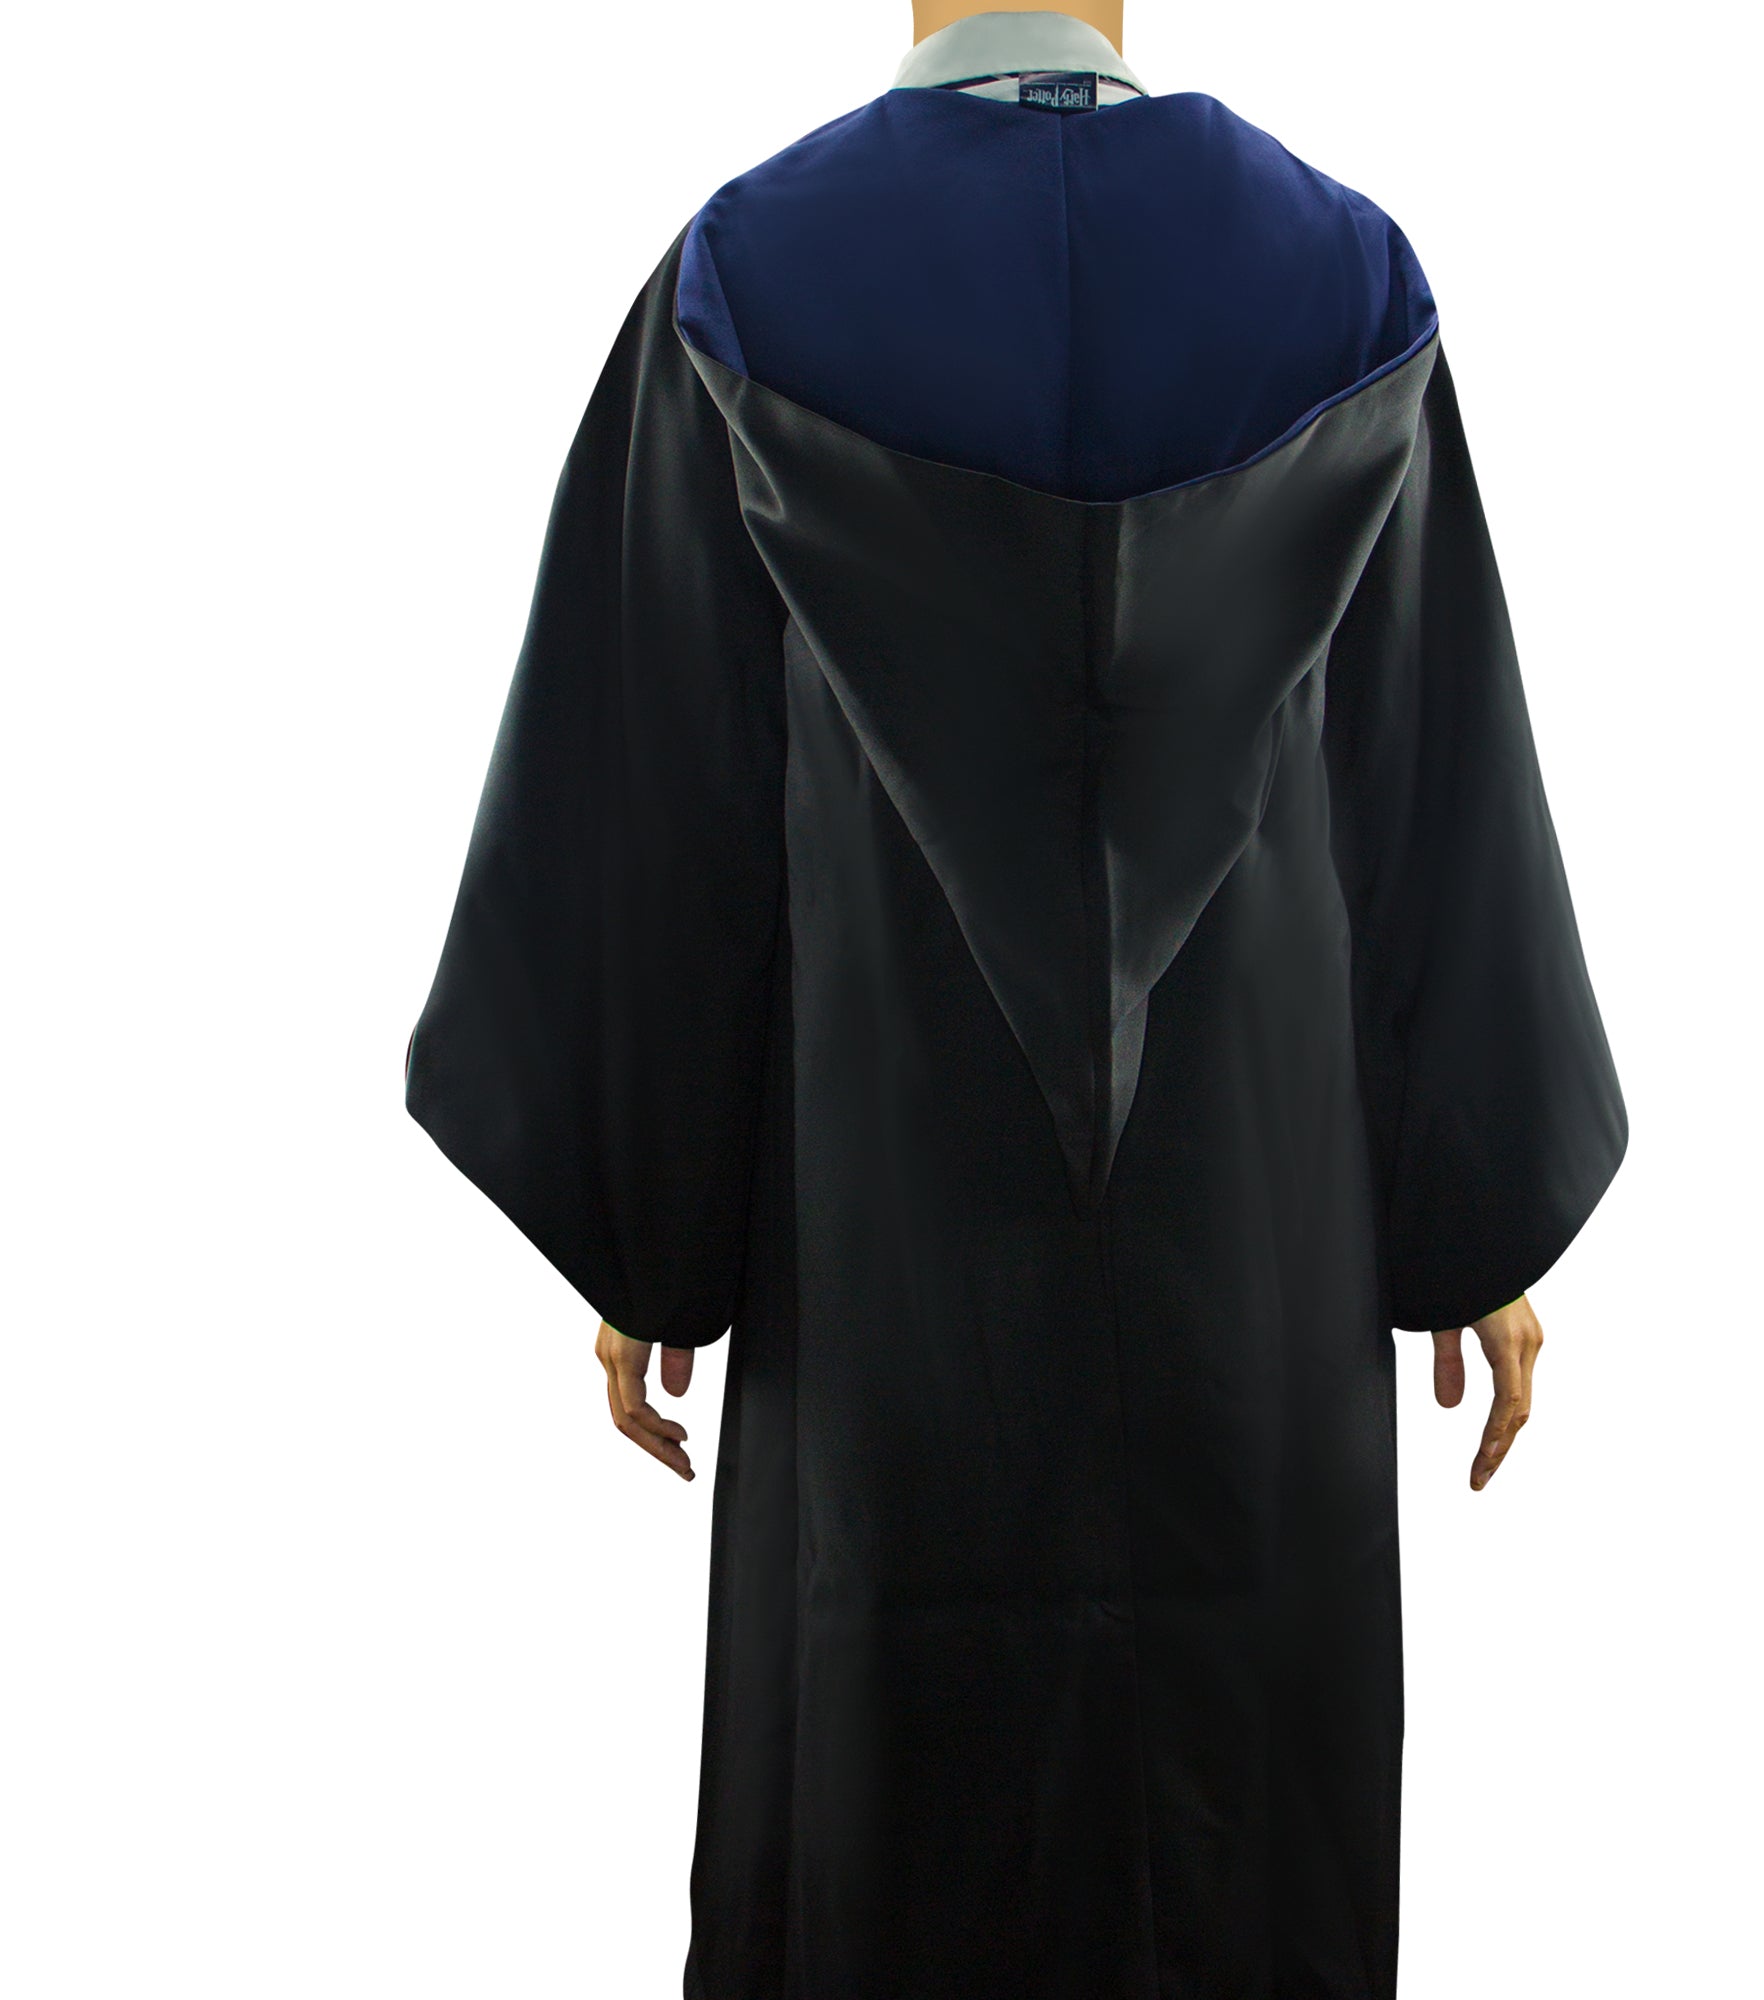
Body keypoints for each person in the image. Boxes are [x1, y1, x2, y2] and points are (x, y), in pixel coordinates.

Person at [405, 6, 1628, 1993]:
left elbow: (663, 805)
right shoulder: (1339, 284)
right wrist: (1473, 1216)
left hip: (884, 1267)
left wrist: (646, 1224)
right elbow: (1429, 781)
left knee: (885, 1843)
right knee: (1240, 1850)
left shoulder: (751, 278)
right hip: (1254, 1275)